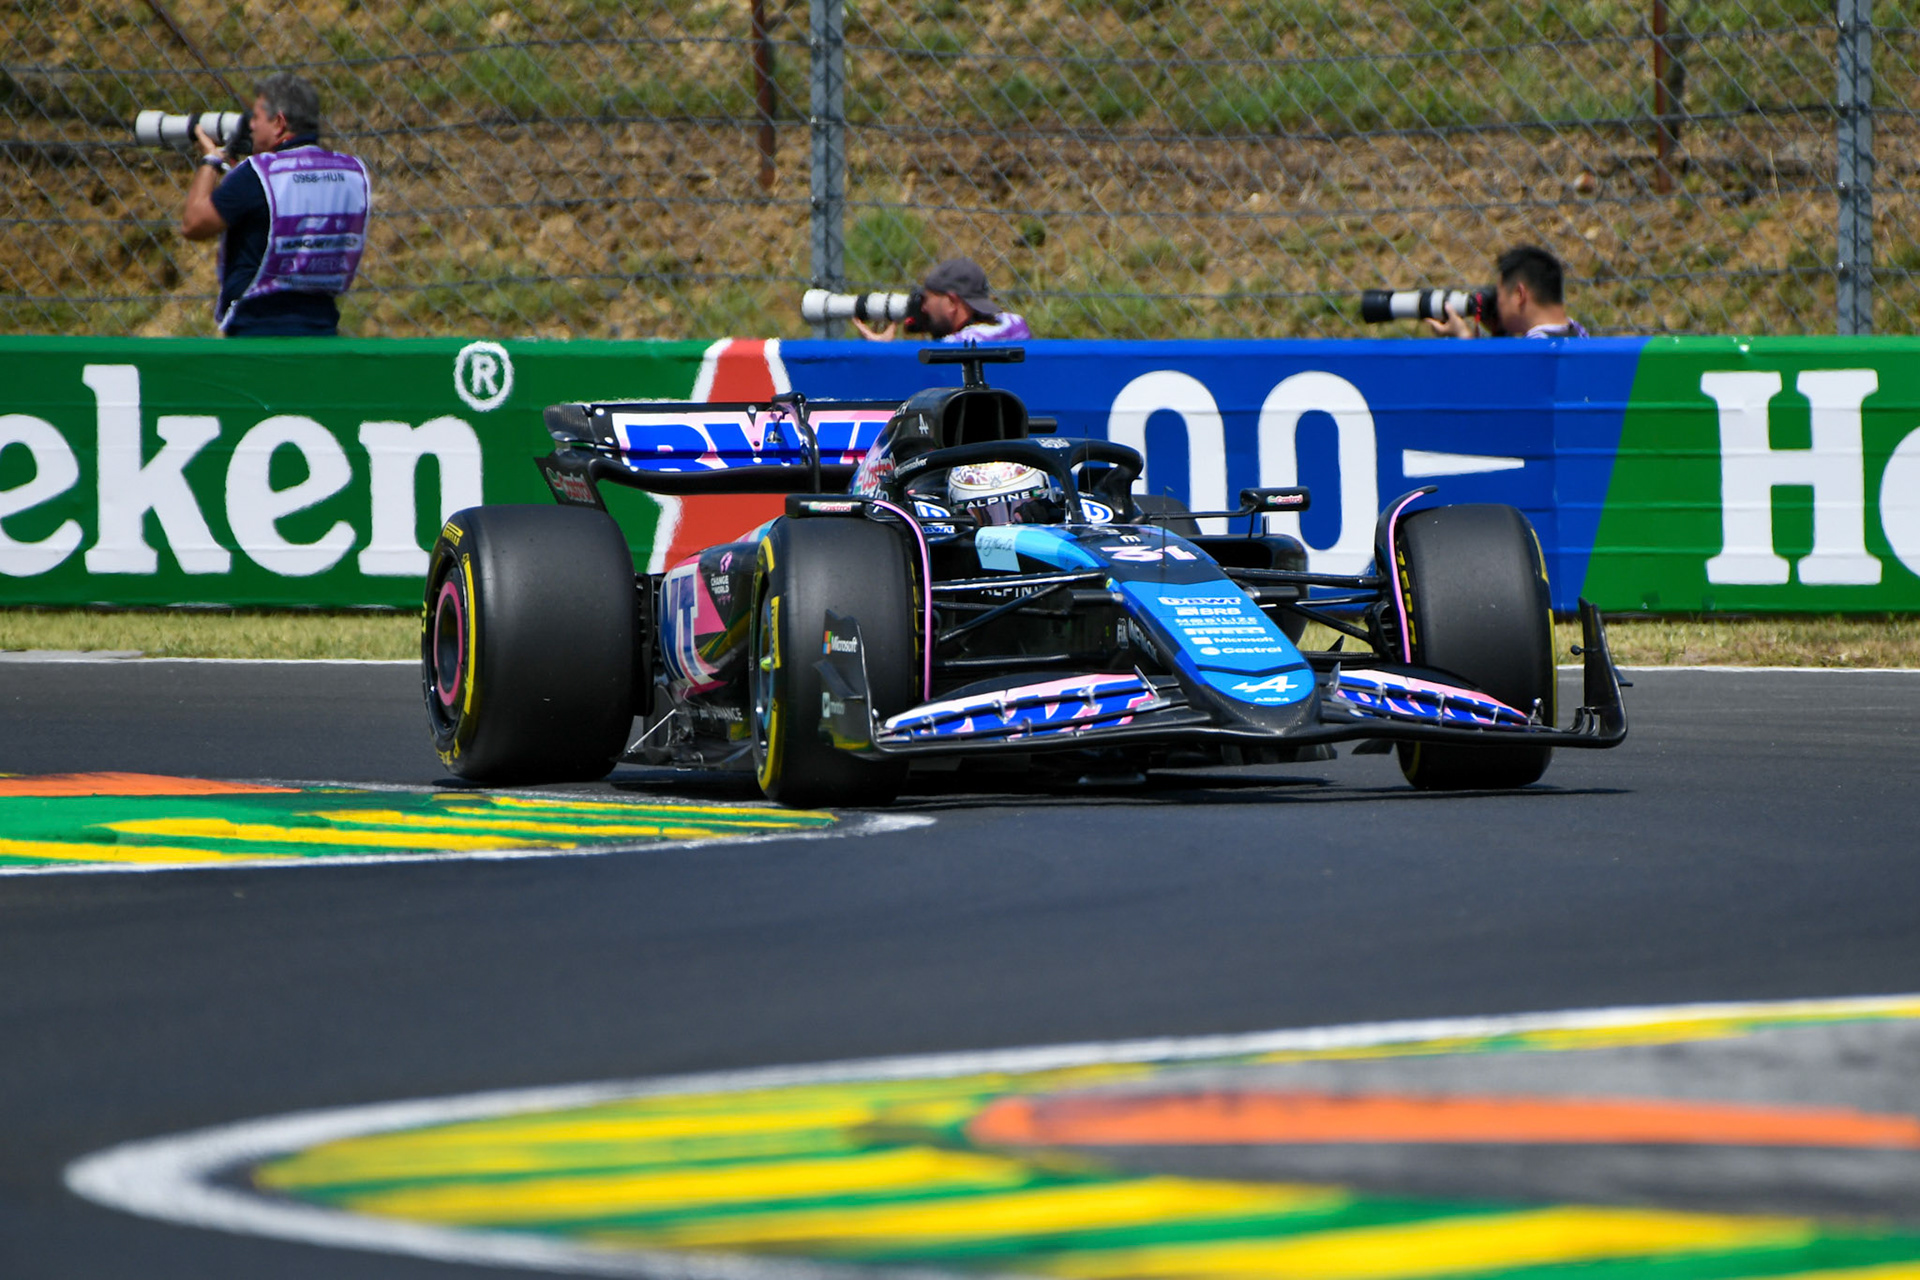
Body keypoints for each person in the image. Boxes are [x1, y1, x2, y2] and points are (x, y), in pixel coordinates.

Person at [179, 73, 371, 336]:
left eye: (256, 117)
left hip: (257, 329)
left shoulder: (257, 174)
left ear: (279, 123)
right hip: (321, 326)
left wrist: (211, 161)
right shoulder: (350, 171)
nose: (251, 126)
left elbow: (193, 224)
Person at [1427, 244, 1589, 339]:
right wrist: (1500, 333)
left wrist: (1464, 338)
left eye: (1499, 296)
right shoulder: (1579, 334)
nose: (1497, 305)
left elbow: (1491, 385)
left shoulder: (1534, 350)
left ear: (1519, 294)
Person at [853, 257, 1031, 343]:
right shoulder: (1016, 326)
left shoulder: (961, 345)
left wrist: (883, 351)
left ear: (952, 302)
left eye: (926, 299)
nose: (923, 308)